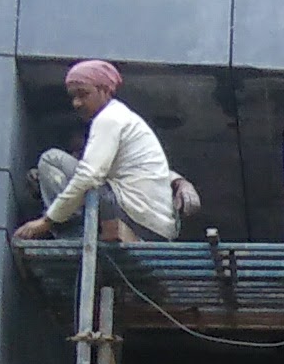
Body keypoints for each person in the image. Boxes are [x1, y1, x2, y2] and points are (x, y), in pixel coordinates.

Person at [15, 59, 193, 245]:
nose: (76, 103)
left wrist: (46, 221)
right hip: (155, 226)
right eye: (73, 96)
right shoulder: (124, 118)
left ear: (105, 91)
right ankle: (74, 230)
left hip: (138, 219)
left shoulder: (109, 119)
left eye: (83, 94)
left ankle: (73, 236)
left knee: (51, 160)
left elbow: (88, 176)